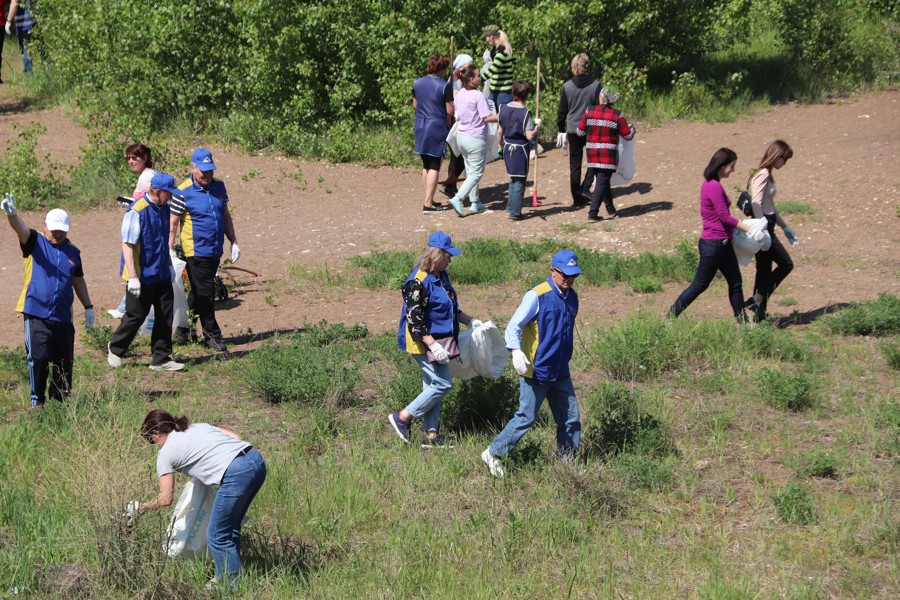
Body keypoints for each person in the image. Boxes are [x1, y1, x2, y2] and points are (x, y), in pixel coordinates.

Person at [133, 409, 266, 587]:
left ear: (156, 433)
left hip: (237, 474)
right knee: (231, 527)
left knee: (217, 535)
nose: (155, 444)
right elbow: (236, 437)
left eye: (152, 440)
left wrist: (140, 508)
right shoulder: (195, 427)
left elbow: (165, 498)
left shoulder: (165, 454)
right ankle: (228, 577)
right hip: (255, 461)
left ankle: (230, 586)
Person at [482, 250, 583, 478]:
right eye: (564, 274)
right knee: (526, 417)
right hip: (536, 370)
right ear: (553, 271)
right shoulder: (537, 295)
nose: (569, 280)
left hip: (560, 370)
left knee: (571, 419)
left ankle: (567, 462)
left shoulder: (572, 297)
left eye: (573, 275)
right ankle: (494, 453)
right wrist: (516, 351)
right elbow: (514, 326)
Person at [389, 232, 482, 448]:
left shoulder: (441, 275)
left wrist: (471, 321)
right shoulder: (416, 282)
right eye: (448, 255)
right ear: (436, 254)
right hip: (422, 341)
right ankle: (402, 418)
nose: (450, 260)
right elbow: (415, 320)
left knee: (431, 384)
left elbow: (451, 308)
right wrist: (432, 344)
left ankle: (431, 435)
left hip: (441, 340)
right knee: (442, 383)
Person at [2, 195, 95, 408]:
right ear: (45, 226)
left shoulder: (73, 253)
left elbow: (78, 279)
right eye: (53, 230)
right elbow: (21, 230)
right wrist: (12, 214)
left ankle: (60, 403)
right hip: (36, 312)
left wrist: (88, 306)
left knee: (64, 362)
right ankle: (38, 401)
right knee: (40, 357)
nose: (57, 234)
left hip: (63, 315)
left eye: (61, 230)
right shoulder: (35, 242)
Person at [668, 148, 760, 321]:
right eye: (731, 166)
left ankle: (743, 324)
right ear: (722, 165)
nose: (733, 170)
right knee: (699, 285)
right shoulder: (714, 186)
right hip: (715, 245)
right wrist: (749, 229)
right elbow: (724, 217)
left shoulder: (712, 184)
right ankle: (668, 319)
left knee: (735, 283)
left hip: (722, 245)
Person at [107, 174, 184, 372]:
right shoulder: (137, 211)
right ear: (157, 192)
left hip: (160, 272)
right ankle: (115, 349)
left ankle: (161, 358)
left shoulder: (164, 208)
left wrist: (168, 264)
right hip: (142, 275)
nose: (172, 198)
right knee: (136, 315)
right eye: (169, 194)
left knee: (165, 314)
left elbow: (162, 241)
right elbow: (128, 245)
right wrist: (133, 277)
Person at [169, 148, 240, 353]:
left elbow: (225, 215)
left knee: (199, 291)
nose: (207, 175)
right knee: (206, 293)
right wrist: (170, 248)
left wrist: (233, 241)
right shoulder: (182, 191)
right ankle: (213, 336)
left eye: (210, 171)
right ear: (193, 168)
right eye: (203, 172)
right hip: (195, 250)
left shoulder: (219, 186)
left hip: (214, 249)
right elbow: (173, 223)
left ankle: (183, 330)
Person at [746, 140, 797, 321]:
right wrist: (762, 229)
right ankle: (757, 298)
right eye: (784, 158)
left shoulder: (767, 174)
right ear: (777, 155)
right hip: (764, 226)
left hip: (768, 223)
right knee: (786, 264)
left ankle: (759, 315)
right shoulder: (763, 174)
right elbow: (755, 202)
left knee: (764, 269)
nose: (785, 163)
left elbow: (770, 205)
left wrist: (785, 226)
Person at [109, 144, 160, 319]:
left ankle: (126, 308)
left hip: (145, 230)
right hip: (150, 227)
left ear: (145, 158)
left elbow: (149, 202)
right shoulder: (151, 174)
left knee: (134, 263)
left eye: (135, 157)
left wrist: (132, 205)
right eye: (129, 158)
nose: (131, 161)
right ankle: (125, 307)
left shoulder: (146, 177)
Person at [577, 86, 635, 221]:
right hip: (607, 155)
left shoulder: (589, 111)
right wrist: (633, 129)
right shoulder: (617, 115)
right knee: (602, 182)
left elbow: (580, 132)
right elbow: (627, 135)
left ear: (601, 97)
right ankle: (592, 213)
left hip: (592, 153)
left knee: (603, 181)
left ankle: (611, 210)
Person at [447, 65, 499, 217]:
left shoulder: (460, 94)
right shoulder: (478, 96)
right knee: (476, 173)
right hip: (475, 138)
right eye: (478, 76)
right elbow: (486, 117)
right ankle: (459, 198)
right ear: (471, 79)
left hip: (462, 137)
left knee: (470, 170)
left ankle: (475, 202)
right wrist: (503, 116)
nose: (480, 78)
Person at [556, 53, 602, 206]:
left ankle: (577, 197)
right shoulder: (596, 85)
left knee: (575, 164)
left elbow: (562, 111)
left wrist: (560, 129)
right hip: (591, 128)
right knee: (594, 161)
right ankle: (585, 188)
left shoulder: (567, 86)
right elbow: (599, 108)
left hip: (573, 129)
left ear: (575, 68)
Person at [413, 54, 454, 214]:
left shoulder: (418, 82)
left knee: (426, 164)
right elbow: (450, 110)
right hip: (436, 125)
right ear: (442, 69)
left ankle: (428, 199)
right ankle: (428, 204)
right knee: (435, 164)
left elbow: (416, 104)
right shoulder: (445, 85)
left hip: (420, 124)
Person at [498, 80, 539, 221]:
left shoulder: (502, 108)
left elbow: (500, 132)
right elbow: (528, 136)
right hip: (520, 149)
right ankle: (515, 212)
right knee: (520, 180)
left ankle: (510, 206)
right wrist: (536, 129)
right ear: (526, 95)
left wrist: (500, 146)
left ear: (513, 92)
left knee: (513, 178)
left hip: (507, 146)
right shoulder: (525, 113)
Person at [440, 53, 474, 199]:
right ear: (460, 67)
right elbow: (456, 97)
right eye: (469, 66)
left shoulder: (459, 79)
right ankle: (450, 184)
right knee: (458, 155)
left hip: (462, 120)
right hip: (457, 121)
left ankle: (451, 184)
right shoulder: (456, 80)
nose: (471, 68)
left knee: (458, 155)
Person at [481, 25, 516, 109]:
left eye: (486, 37)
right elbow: (514, 61)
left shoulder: (501, 51)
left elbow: (493, 69)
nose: (486, 40)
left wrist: (479, 79)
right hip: (494, 90)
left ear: (491, 37)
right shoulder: (497, 50)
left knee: (502, 119)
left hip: (503, 92)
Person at [5, 1, 34, 75]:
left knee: (25, 49)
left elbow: (15, 3)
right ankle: (49, 74)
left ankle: (29, 74)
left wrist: (8, 21)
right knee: (42, 49)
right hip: (36, 22)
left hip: (24, 23)